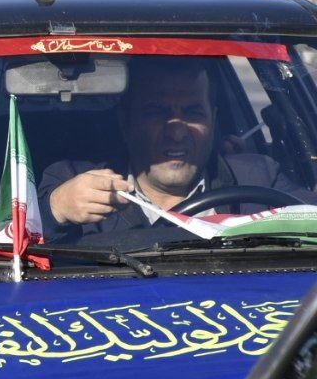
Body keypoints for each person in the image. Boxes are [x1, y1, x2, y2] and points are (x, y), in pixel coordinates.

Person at [38, 57, 317, 241]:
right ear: (126, 122)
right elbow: (17, 239)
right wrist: (55, 209)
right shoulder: (74, 181)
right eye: (157, 113)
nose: (177, 132)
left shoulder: (259, 178)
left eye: (193, 113)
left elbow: (310, 218)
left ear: (213, 120)